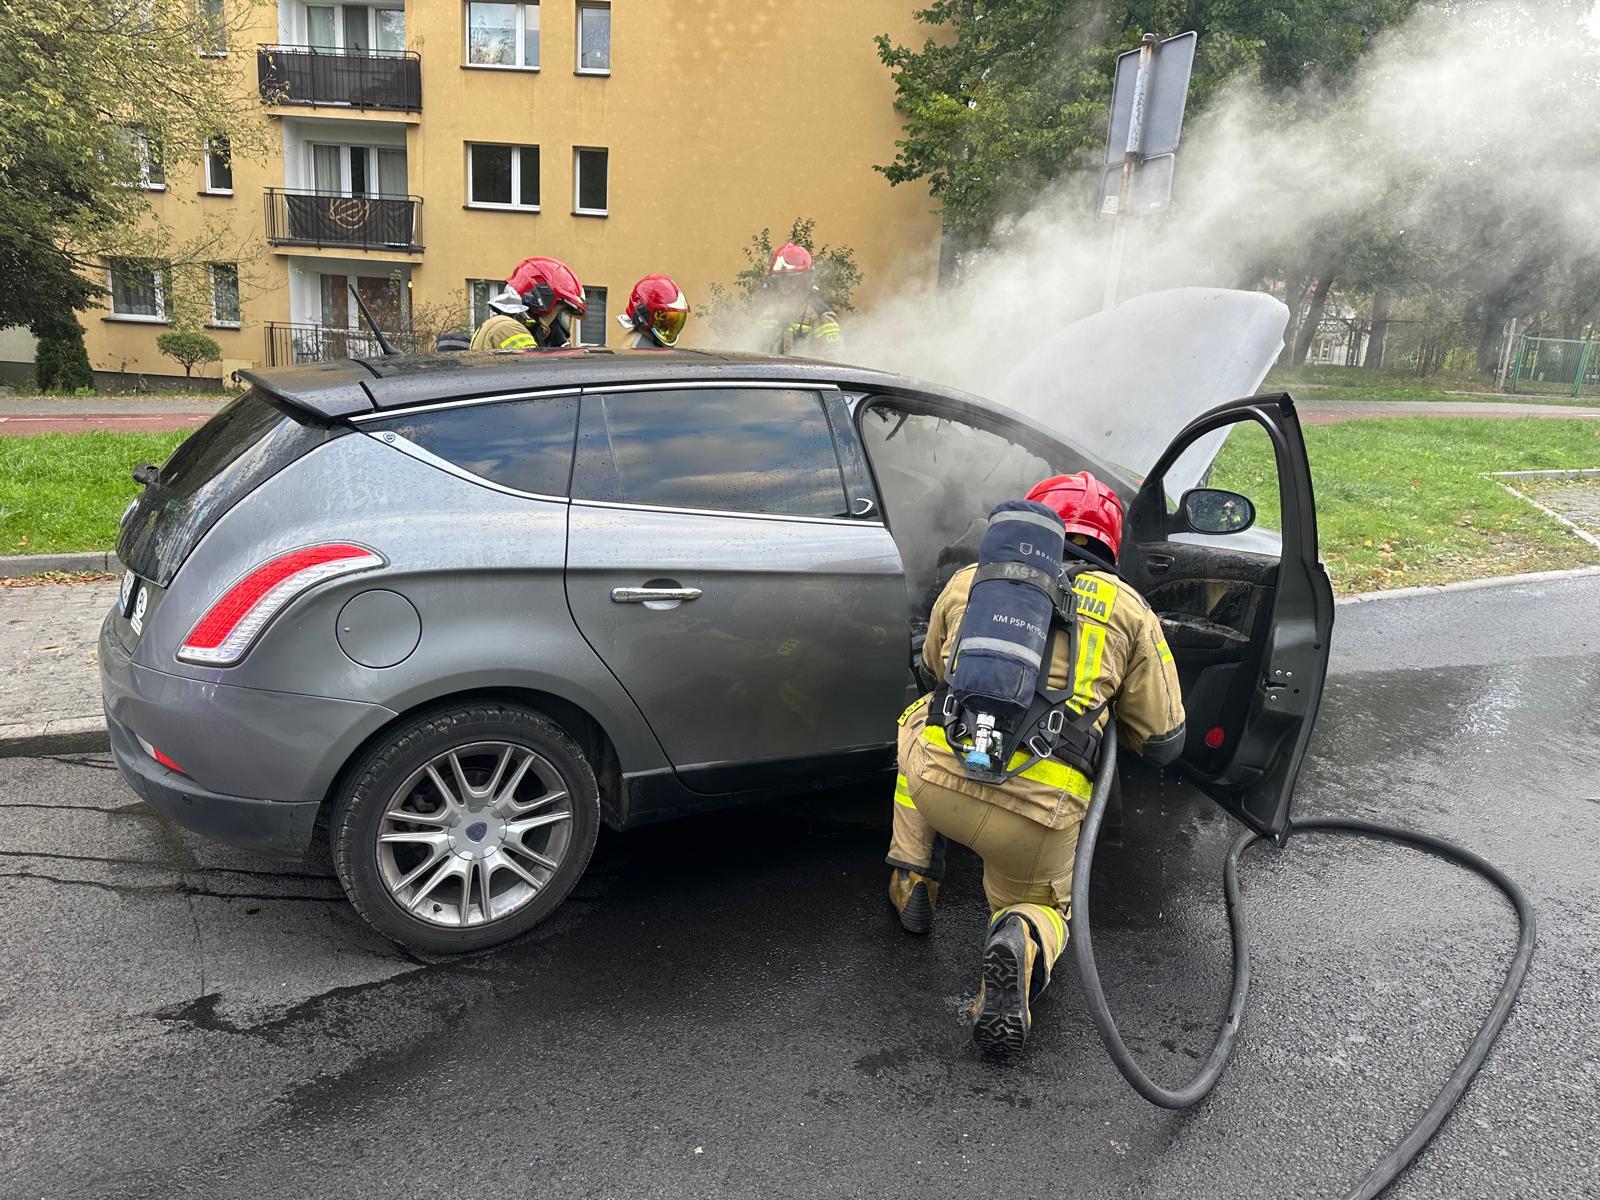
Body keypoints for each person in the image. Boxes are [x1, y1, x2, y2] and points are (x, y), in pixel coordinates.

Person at [884, 471, 1186, 1057]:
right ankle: (1021, 936)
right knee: (1043, 905)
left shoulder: (973, 579)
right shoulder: (1128, 608)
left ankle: (911, 874)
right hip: (1037, 815)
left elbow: (934, 670)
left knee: (918, 717)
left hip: (939, 781)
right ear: (1110, 542)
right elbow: (1162, 739)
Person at [469, 256, 589, 351]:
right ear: (542, 304)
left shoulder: (510, 326)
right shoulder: (508, 328)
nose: (560, 324)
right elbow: (538, 370)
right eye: (560, 313)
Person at [763, 242, 842, 356]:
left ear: (805, 279)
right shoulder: (769, 312)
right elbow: (757, 349)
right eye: (780, 278)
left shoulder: (821, 314)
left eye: (791, 278)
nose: (784, 282)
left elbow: (834, 358)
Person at [616, 274, 691, 348]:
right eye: (663, 317)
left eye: (675, 321)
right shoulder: (636, 349)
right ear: (643, 314)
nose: (671, 326)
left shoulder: (644, 344)